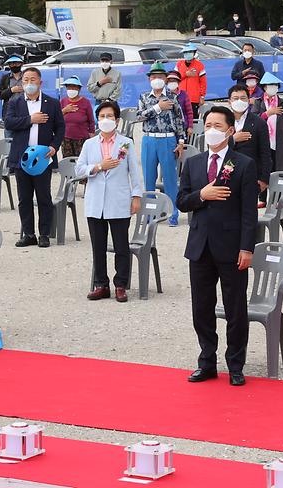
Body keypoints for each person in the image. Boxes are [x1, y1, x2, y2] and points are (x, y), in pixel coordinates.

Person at [178, 106, 256, 386]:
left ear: (230, 130)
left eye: (217, 125)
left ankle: (236, 364)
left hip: (231, 246)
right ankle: (207, 361)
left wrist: (247, 248)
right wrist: (202, 194)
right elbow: (182, 201)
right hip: (200, 246)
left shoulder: (243, 164)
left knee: (235, 308)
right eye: (207, 124)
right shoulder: (194, 163)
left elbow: (249, 212)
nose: (211, 130)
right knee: (202, 307)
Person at [77, 100, 144, 303]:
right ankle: (101, 284)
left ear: (117, 120)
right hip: (96, 201)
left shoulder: (126, 143)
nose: (106, 120)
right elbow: (79, 169)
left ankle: (120, 284)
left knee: (121, 246)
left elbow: (134, 171)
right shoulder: (89, 144)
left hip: (119, 200)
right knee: (98, 246)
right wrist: (98, 166)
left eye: (110, 116)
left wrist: (136, 196)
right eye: (102, 117)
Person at [6, 65, 66, 247]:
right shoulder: (15, 102)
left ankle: (44, 234)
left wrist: (54, 146)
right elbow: (9, 123)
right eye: (26, 80)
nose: (29, 83)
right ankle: (28, 234)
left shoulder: (52, 103)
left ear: (40, 82)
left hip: (42, 157)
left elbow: (60, 127)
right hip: (21, 158)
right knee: (24, 199)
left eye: (33, 80)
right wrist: (30, 120)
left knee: (43, 197)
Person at [136, 62, 186, 226]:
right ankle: (150, 213)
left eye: (160, 77)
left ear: (165, 78)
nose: (156, 79)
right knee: (149, 179)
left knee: (170, 179)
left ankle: (173, 213)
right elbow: (139, 116)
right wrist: (158, 107)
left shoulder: (172, 97)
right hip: (149, 139)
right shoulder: (144, 97)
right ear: (149, 79)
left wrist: (180, 141)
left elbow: (180, 120)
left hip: (168, 139)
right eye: (154, 77)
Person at [228, 83, 271, 198]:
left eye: (243, 98)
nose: (239, 101)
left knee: (248, 212)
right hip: (226, 175)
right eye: (235, 98)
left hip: (250, 174)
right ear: (229, 101)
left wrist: (264, 179)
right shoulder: (223, 122)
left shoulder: (259, 123)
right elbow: (214, 146)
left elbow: (265, 153)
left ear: (248, 100)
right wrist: (233, 139)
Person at [253, 72, 283, 180]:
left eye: (275, 85)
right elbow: (254, 119)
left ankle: (278, 194)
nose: (273, 87)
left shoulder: (282, 102)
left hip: (278, 140)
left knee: (279, 166)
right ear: (265, 87)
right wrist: (268, 113)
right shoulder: (258, 102)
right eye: (270, 85)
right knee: (263, 167)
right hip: (263, 140)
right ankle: (263, 195)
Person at [60, 75, 95, 160]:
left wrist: (92, 133)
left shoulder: (86, 102)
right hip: (66, 138)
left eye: (74, 87)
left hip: (81, 138)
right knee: (68, 162)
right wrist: (64, 110)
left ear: (79, 89)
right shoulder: (63, 101)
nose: (71, 90)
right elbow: (57, 118)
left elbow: (91, 120)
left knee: (81, 161)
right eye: (69, 87)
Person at [0, 54, 25, 132]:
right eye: (11, 63)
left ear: (21, 64)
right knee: (8, 140)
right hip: (9, 113)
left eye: (16, 63)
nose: (14, 65)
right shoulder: (5, 78)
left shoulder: (26, 77)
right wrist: (11, 90)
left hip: (25, 112)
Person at [176, 44, 207, 117]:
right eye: (185, 52)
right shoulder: (179, 64)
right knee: (180, 118)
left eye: (190, 52)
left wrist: (202, 96)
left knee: (193, 119)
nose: (187, 54)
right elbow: (175, 78)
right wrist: (185, 74)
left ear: (194, 53)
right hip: (180, 97)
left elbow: (203, 82)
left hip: (193, 98)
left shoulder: (200, 65)